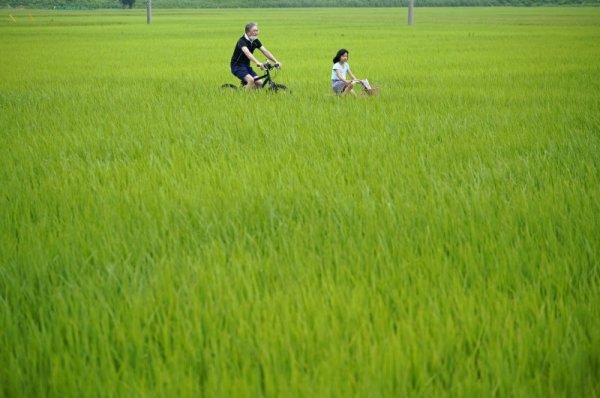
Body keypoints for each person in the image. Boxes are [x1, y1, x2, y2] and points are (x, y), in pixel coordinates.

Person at [230, 22, 282, 90]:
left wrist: (276, 61)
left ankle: (249, 92)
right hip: (237, 66)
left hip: (246, 66)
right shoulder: (241, 41)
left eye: (257, 30)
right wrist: (257, 62)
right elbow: (247, 53)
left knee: (260, 83)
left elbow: (265, 51)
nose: (257, 32)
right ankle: (245, 98)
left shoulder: (255, 41)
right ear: (248, 32)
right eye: (254, 30)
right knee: (251, 80)